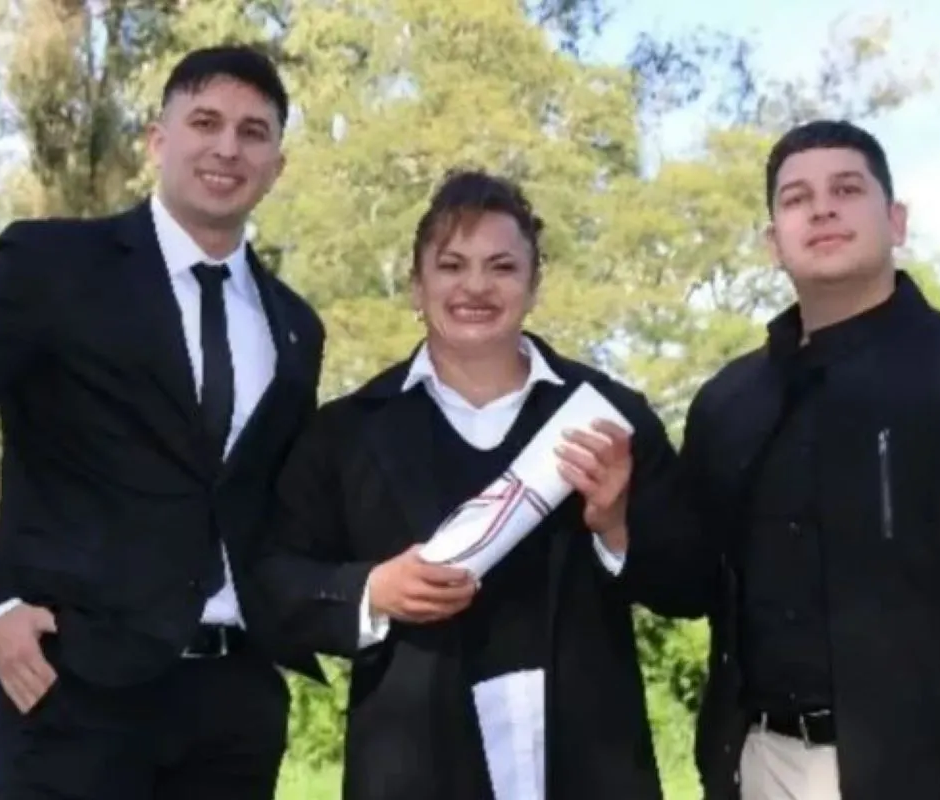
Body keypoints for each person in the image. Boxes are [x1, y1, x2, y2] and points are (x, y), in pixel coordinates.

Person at [0, 45, 325, 799]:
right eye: (205, 121)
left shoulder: (295, 328)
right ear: (158, 140)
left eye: (254, 132)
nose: (227, 147)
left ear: (277, 163)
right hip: (68, 691)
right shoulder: (51, 266)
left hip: (235, 710)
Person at [246, 169, 692, 799]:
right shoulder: (345, 433)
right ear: (415, 286)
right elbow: (271, 578)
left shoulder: (606, 418)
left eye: (502, 267)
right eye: (452, 265)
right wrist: (372, 591)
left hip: (587, 760)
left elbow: (692, 581)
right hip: (414, 768)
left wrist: (615, 526)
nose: (476, 286)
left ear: (534, 285)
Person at [669, 119, 940, 800]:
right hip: (758, 765)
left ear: (896, 220)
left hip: (935, 771)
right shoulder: (726, 403)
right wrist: (616, 518)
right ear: (774, 243)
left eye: (846, 188)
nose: (821, 207)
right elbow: (692, 580)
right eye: (796, 198)